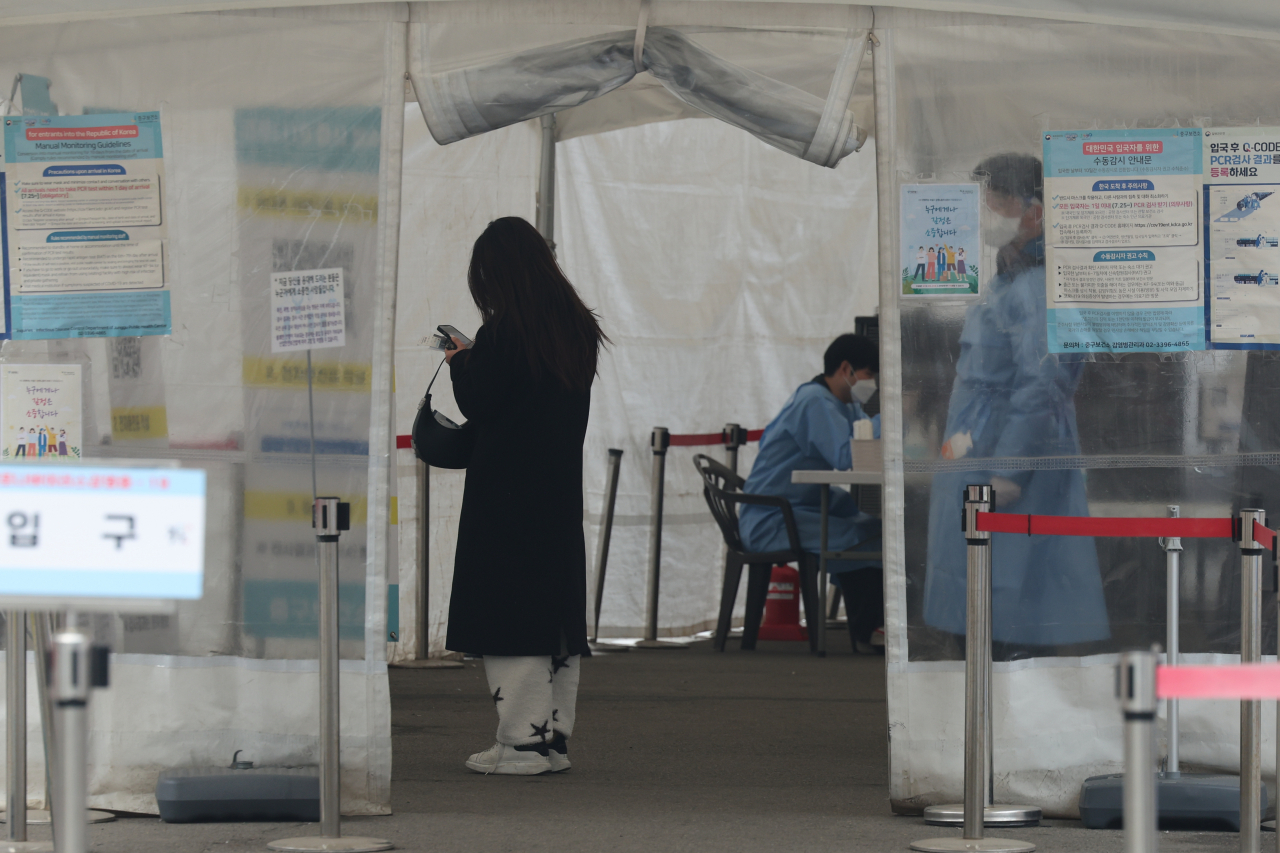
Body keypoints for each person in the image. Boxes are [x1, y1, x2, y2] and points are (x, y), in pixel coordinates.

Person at [922, 153, 1109, 658]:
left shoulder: (1036, 286)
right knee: (980, 587)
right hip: (978, 443)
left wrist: (1010, 467)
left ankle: (1004, 701)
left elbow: (1044, 380)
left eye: (996, 201)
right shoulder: (1011, 278)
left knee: (1007, 590)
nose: (986, 212)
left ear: (1034, 211)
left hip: (1005, 452)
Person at [442, 216, 607, 776]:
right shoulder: (576, 326)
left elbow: (482, 402)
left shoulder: (505, 334)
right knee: (553, 619)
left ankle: (521, 743)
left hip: (505, 501)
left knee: (508, 615)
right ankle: (552, 739)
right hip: (557, 495)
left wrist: (460, 358)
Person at [739, 334, 885, 653]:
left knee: (876, 532)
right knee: (863, 540)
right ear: (845, 368)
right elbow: (845, 457)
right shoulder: (815, 401)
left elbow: (863, 445)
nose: (872, 383)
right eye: (869, 374)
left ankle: (867, 628)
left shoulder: (845, 404)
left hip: (797, 508)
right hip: (772, 518)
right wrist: (891, 418)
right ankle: (863, 634)